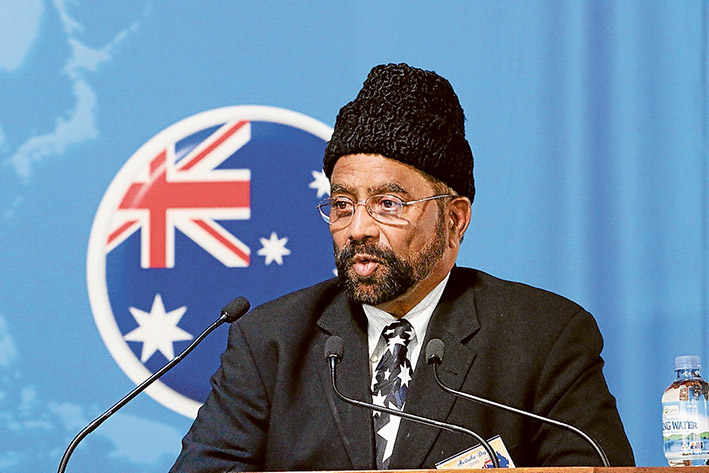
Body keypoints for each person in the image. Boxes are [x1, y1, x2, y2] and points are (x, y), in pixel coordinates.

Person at [170, 63, 635, 472]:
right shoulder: (271, 340)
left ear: (454, 220)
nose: (358, 229)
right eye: (342, 205)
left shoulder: (543, 336)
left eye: (388, 204)